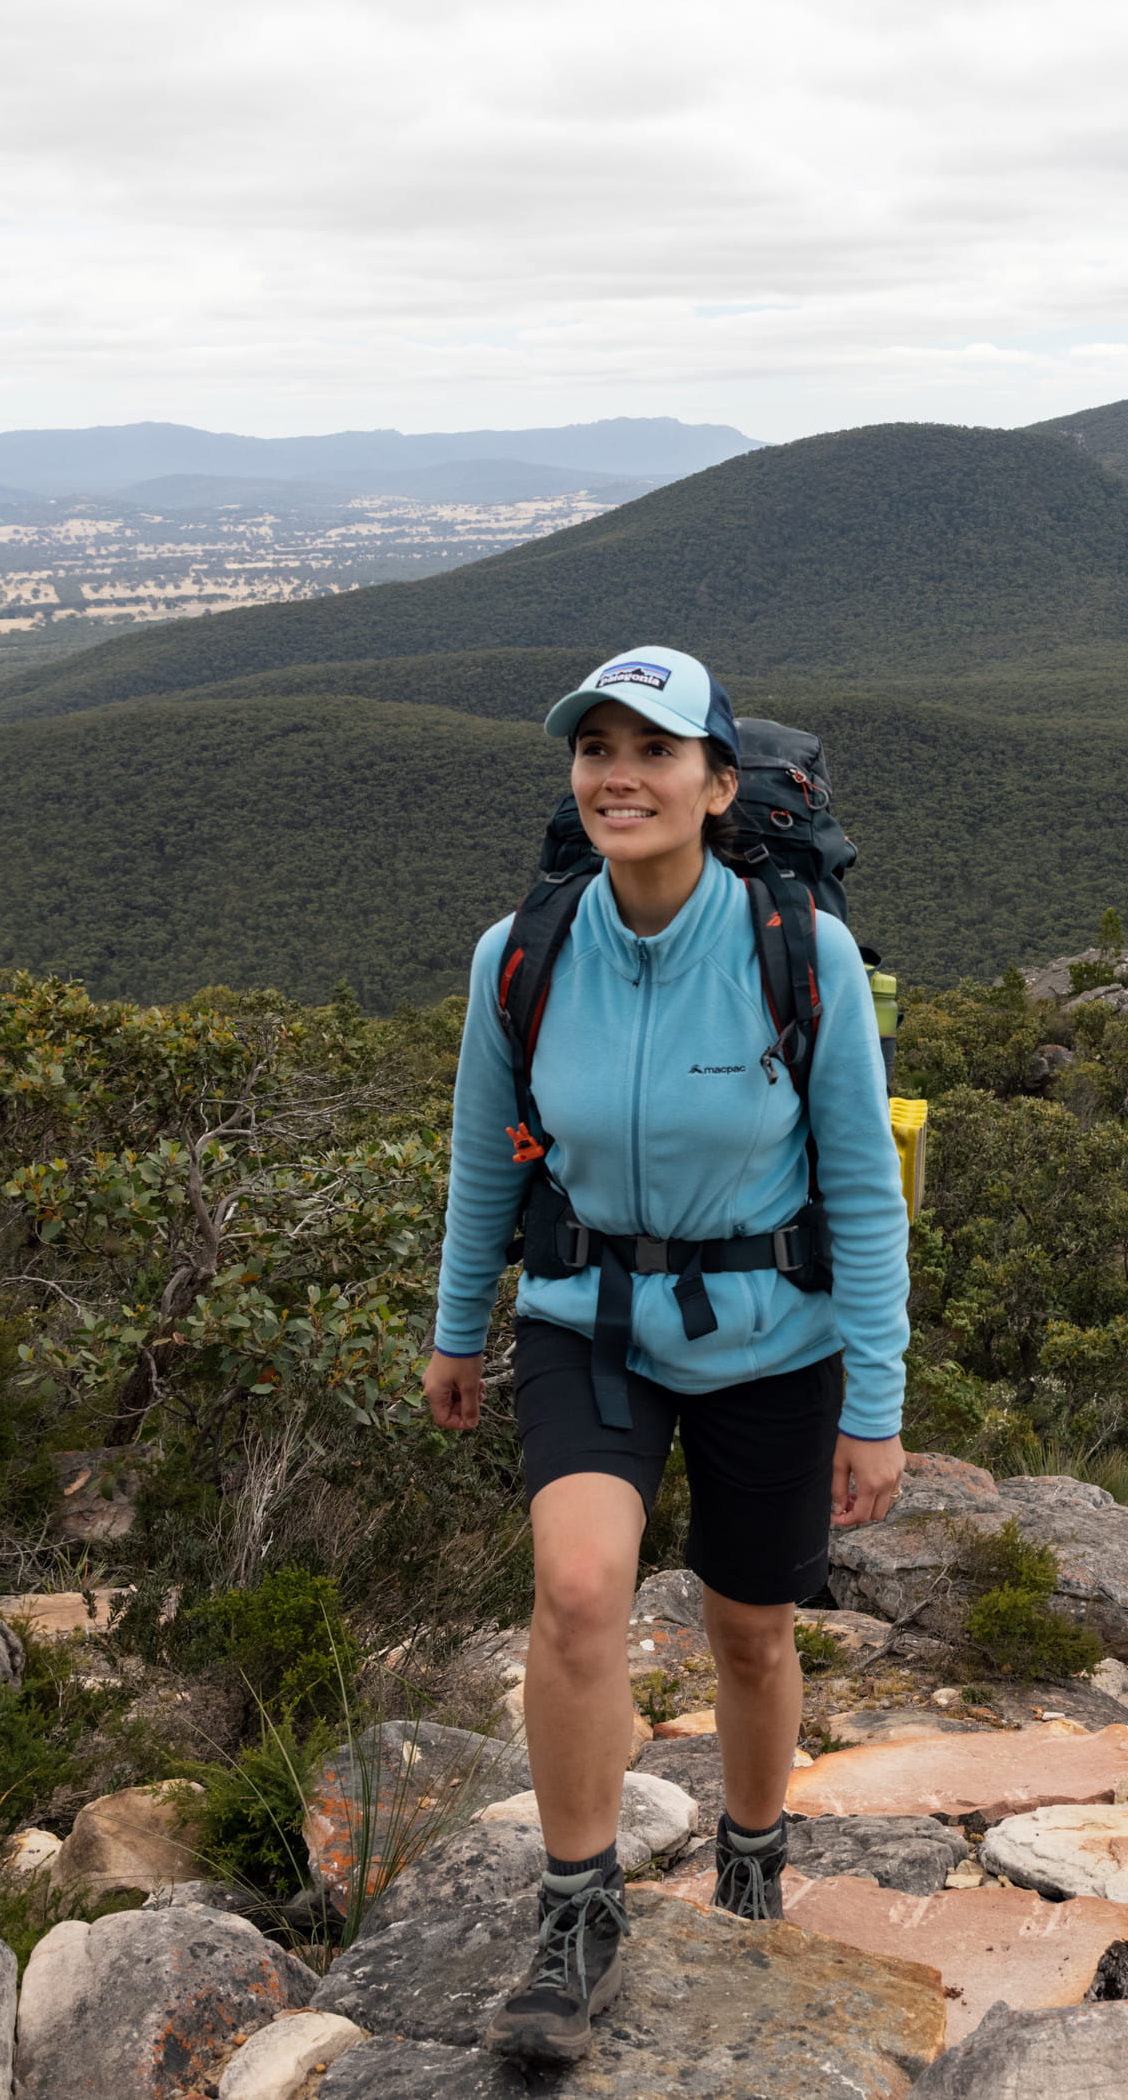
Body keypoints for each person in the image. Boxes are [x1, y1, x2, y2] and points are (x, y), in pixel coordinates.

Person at [420, 644, 909, 2065]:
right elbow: (481, 1161)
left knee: (748, 1630)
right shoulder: (520, 953)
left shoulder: (793, 952)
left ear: (713, 782)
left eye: (652, 750)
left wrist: (871, 1405)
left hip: (773, 1337)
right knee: (577, 1593)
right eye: (595, 750)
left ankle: (751, 1860)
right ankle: (578, 1911)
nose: (617, 774)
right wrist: (461, 1330)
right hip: (590, 1321)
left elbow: (864, 1192)